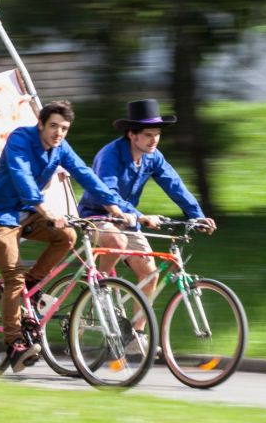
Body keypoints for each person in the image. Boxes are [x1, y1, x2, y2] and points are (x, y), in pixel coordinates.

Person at [0, 100, 134, 373]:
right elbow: (21, 176)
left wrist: (115, 208)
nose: (58, 133)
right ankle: (14, 345)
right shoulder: (21, 139)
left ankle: (32, 287)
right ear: (41, 124)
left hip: (27, 215)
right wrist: (47, 210)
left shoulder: (60, 148)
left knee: (67, 236)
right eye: (53, 126)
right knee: (13, 276)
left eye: (64, 128)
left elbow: (85, 174)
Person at [77, 99, 216, 348]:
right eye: (148, 135)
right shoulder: (110, 156)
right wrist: (140, 216)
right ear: (132, 135)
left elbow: (174, 184)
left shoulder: (152, 157)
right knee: (115, 240)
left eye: (158, 135)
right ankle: (100, 289)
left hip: (129, 219)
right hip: (97, 215)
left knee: (149, 272)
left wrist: (196, 215)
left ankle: (135, 333)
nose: (154, 140)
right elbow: (108, 193)